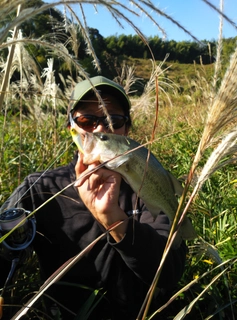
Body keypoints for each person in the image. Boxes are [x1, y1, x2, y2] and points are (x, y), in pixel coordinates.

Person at [0, 76, 187, 319]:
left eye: (114, 120)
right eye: (87, 120)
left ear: (127, 132)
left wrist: (114, 221)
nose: (100, 128)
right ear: (71, 129)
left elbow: (169, 273)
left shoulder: (147, 187)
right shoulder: (40, 189)